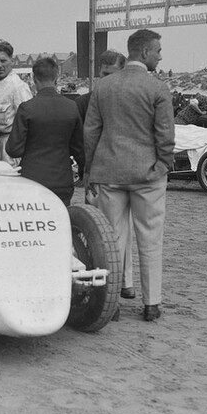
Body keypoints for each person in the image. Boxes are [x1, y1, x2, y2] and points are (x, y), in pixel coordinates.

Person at [84, 29, 175, 322]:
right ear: (145, 53)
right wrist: (163, 164)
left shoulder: (103, 86)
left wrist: (90, 168)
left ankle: (113, 303)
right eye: (158, 51)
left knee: (112, 239)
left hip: (109, 171)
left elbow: (91, 131)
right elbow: (165, 134)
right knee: (150, 238)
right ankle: (152, 304)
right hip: (148, 173)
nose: (160, 56)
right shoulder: (158, 88)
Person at [75, 49, 134, 299]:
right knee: (100, 230)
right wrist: (86, 170)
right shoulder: (85, 101)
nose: (104, 78)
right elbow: (81, 141)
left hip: (122, 172)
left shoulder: (131, 99)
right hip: (98, 173)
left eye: (109, 73)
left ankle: (122, 282)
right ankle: (116, 282)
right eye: (102, 74)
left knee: (120, 229)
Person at [5, 56, 84, 206]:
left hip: (32, 179)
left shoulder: (27, 108)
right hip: (62, 179)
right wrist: (82, 171)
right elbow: (78, 148)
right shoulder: (71, 107)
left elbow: (13, 149)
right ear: (57, 78)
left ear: (34, 79)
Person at [0, 39, 33, 166]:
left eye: (3, 61)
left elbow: (28, 122)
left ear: (11, 61)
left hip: (10, 148)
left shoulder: (18, 87)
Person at [76, 50, 127, 123]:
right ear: (99, 71)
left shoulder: (130, 104)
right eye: (105, 74)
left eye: (112, 75)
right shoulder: (82, 104)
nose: (107, 79)